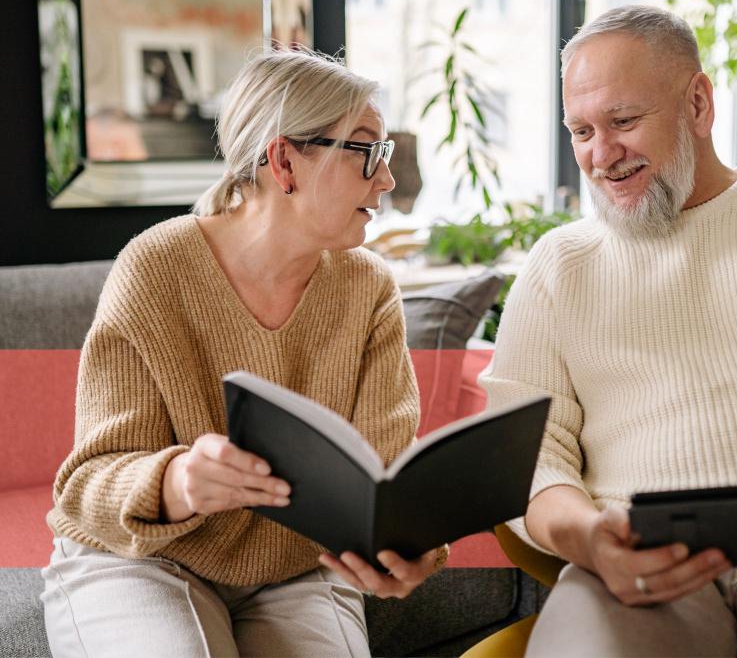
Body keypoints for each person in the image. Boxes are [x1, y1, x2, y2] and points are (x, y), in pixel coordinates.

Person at [480, 4, 737, 657]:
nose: (601, 154)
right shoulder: (558, 267)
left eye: (623, 121)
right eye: (581, 129)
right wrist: (587, 535)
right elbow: (524, 461)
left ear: (698, 104)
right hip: (632, 585)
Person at [41, 48, 446, 658]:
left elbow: (383, 476)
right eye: (368, 152)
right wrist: (177, 481)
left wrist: (411, 546)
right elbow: (86, 484)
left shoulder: (368, 288)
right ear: (285, 161)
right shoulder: (155, 269)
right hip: (139, 557)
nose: (387, 179)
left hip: (294, 569)